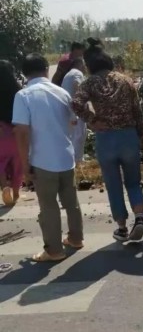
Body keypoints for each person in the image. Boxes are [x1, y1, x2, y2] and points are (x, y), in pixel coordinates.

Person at [72, 42, 143, 242]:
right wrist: (141, 135)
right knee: (133, 181)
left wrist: (93, 120)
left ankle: (122, 228)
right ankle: (139, 218)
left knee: (113, 185)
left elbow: (76, 103)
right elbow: (137, 111)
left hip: (106, 139)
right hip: (128, 136)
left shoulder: (89, 83)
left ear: (90, 66)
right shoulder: (126, 81)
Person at [12, 54, 84, 261]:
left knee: (48, 206)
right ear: (46, 69)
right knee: (71, 202)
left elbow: (22, 132)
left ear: (25, 74)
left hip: (43, 160)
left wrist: (25, 164)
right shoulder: (61, 92)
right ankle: (76, 238)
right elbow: (73, 122)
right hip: (66, 156)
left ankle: (53, 250)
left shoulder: (24, 96)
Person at [0, 60, 23, 205]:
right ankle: (15, 192)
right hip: (16, 132)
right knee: (17, 164)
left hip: (1, 131)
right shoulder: (18, 91)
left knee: (0, 162)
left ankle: (4, 187)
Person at [62, 58, 87, 164]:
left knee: (72, 137)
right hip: (77, 111)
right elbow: (77, 85)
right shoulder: (77, 73)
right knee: (79, 136)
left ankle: (72, 159)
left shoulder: (67, 75)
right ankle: (77, 161)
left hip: (68, 111)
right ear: (80, 65)